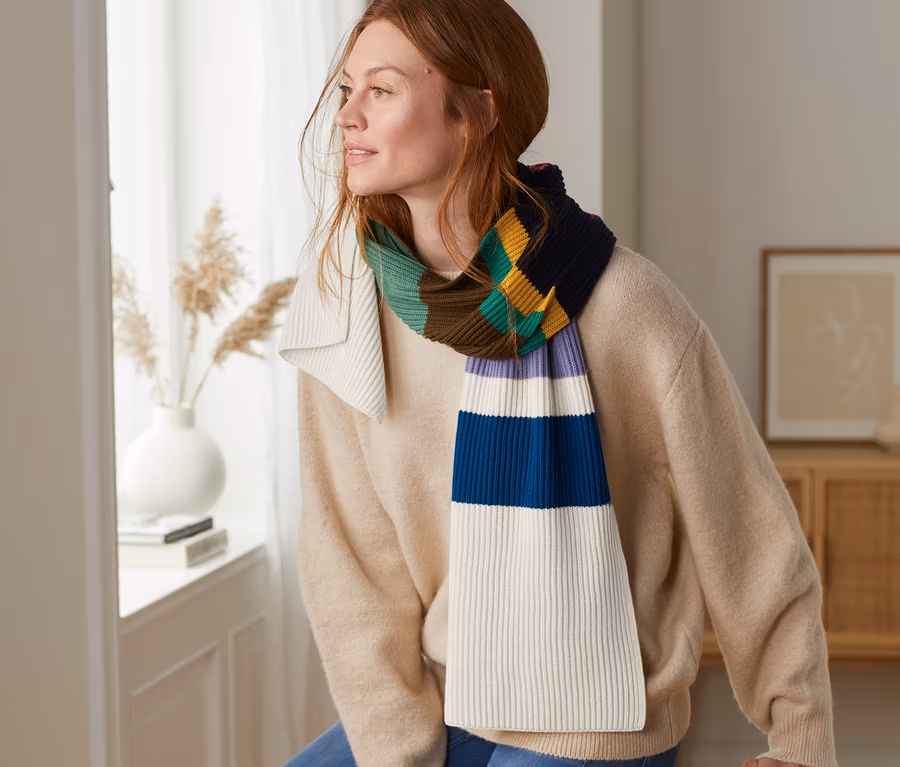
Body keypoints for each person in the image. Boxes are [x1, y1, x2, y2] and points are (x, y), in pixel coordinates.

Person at [277, 2, 839, 766]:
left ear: (479, 112)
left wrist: (799, 738)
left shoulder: (623, 305)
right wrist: (396, 751)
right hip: (449, 697)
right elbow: (350, 567)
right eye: (346, 89)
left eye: (381, 89)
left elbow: (750, 532)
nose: (347, 115)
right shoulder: (345, 311)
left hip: (597, 713)